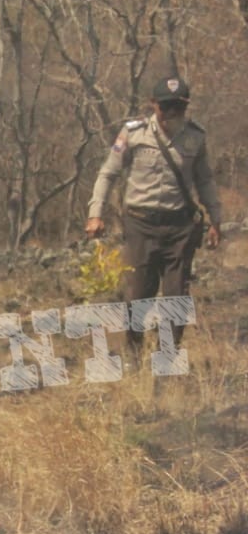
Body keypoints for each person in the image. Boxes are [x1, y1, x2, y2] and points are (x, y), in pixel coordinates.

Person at [86, 75, 222, 357]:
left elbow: (205, 180)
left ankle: (167, 359)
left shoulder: (196, 136)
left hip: (180, 227)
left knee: (176, 299)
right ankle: (134, 356)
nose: (172, 113)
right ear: (154, 105)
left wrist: (215, 219)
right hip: (140, 225)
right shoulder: (133, 134)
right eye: (166, 107)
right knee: (138, 296)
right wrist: (95, 214)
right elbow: (108, 173)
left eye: (178, 108)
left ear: (185, 107)